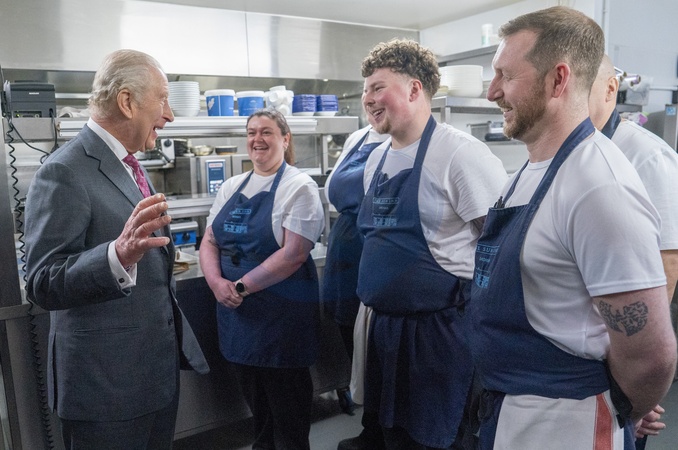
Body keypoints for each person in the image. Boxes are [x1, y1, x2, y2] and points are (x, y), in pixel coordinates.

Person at [469, 7, 678, 449]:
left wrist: (623, 412)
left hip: (565, 422)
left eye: (506, 75)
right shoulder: (530, 171)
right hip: (509, 408)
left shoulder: (597, 185)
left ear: (558, 80)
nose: (492, 92)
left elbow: (652, 357)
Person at [24, 49, 209, 449]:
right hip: (105, 391)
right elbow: (42, 282)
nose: (169, 115)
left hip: (153, 378)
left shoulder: (130, 165)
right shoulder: (64, 170)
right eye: (162, 99)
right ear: (127, 102)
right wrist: (117, 256)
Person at [356, 38, 508, 449]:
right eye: (366, 89)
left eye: (378, 87)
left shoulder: (460, 155)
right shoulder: (376, 159)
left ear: (414, 89)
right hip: (385, 331)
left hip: (440, 335)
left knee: (439, 440)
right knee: (391, 438)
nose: (368, 98)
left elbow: (502, 251)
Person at [199, 108, 324, 450]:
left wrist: (240, 287)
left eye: (267, 132)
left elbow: (293, 254)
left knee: (288, 413)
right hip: (238, 315)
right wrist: (216, 283)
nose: (257, 139)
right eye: (252, 132)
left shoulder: (299, 187)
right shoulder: (231, 186)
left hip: (281, 315)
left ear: (285, 138)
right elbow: (209, 241)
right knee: (258, 412)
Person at [589, 54, 678, 450]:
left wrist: (636, 373)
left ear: (610, 89)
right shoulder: (578, 150)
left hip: (619, 351)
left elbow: (668, 261)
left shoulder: (645, 155)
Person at [322, 125, 388, 450]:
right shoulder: (357, 138)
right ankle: (371, 427)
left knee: (378, 345)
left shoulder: (406, 138)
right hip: (345, 251)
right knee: (352, 338)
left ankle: (384, 431)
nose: (372, 101)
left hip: (374, 248)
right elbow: (331, 194)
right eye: (367, 98)